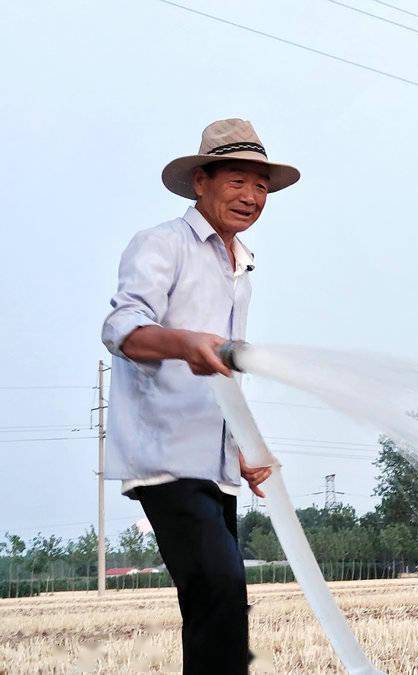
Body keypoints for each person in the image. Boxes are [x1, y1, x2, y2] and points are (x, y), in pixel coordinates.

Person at [101, 118, 300, 674]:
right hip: (165, 456)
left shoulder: (241, 268)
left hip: (213, 464)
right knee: (219, 587)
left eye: (261, 186)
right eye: (237, 181)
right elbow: (122, 329)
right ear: (201, 182)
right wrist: (184, 342)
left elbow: (223, 373)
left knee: (219, 601)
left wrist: (241, 446)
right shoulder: (163, 244)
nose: (251, 197)